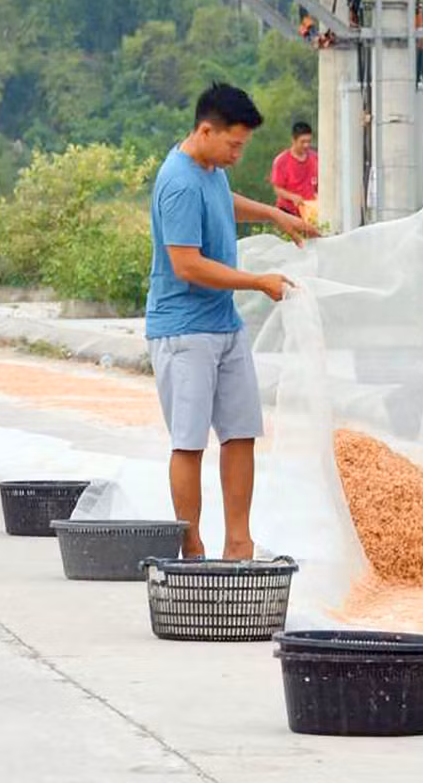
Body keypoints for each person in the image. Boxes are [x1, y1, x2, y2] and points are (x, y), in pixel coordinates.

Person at [147, 82, 317, 560]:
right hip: (184, 330)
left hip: (223, 326)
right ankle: (192, 544)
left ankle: (238, 541)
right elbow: (187, 264)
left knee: (241, 432)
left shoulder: (209, 167)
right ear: (206, 130)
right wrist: (258, 281)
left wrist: (272, 215)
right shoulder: (178, 181)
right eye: (234, 145)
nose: (238, 154)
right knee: (189, 441)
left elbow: (224, 199)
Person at [271, 121, 318, 218]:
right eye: (303, 142)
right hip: (288, 211)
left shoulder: (315, 158)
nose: (306, 145)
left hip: (309, 210)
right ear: (294, 140)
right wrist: (293, 197)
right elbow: (277, 189)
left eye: (308, 141)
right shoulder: (282, 161)